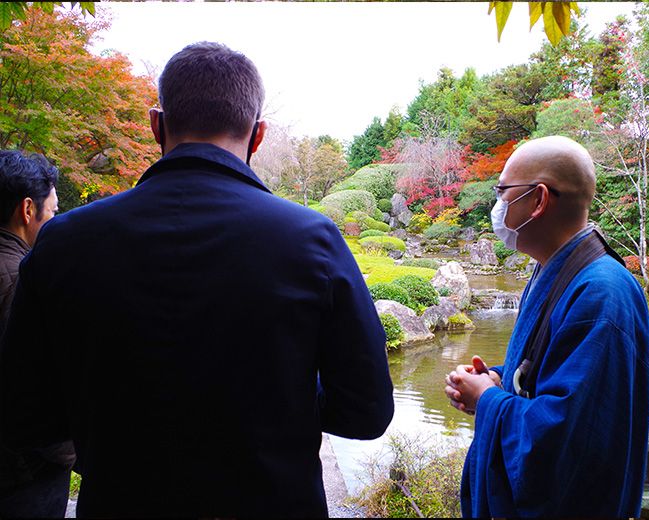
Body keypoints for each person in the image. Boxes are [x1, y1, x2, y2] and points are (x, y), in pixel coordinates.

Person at [0, 42, 394, 518]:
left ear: (156, 124)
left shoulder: (65, 242)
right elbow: (366, 412)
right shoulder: (310, 240)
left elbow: (24, 416)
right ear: (258, 135)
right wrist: (280, 398)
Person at [445, 136, 649, 518]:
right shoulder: (554, 269)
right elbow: (550, 373)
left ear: (538, 200)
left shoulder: (601, 294)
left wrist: (487, 400)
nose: (498, 204)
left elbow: (566, 440)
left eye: (503, 191)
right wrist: (496, 379)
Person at [0, 150, 74, 518]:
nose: (55, 220)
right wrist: (75, 455)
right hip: (23, 476)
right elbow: (34, 387)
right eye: (54, 211)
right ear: (28, 210)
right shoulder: (25, 279)